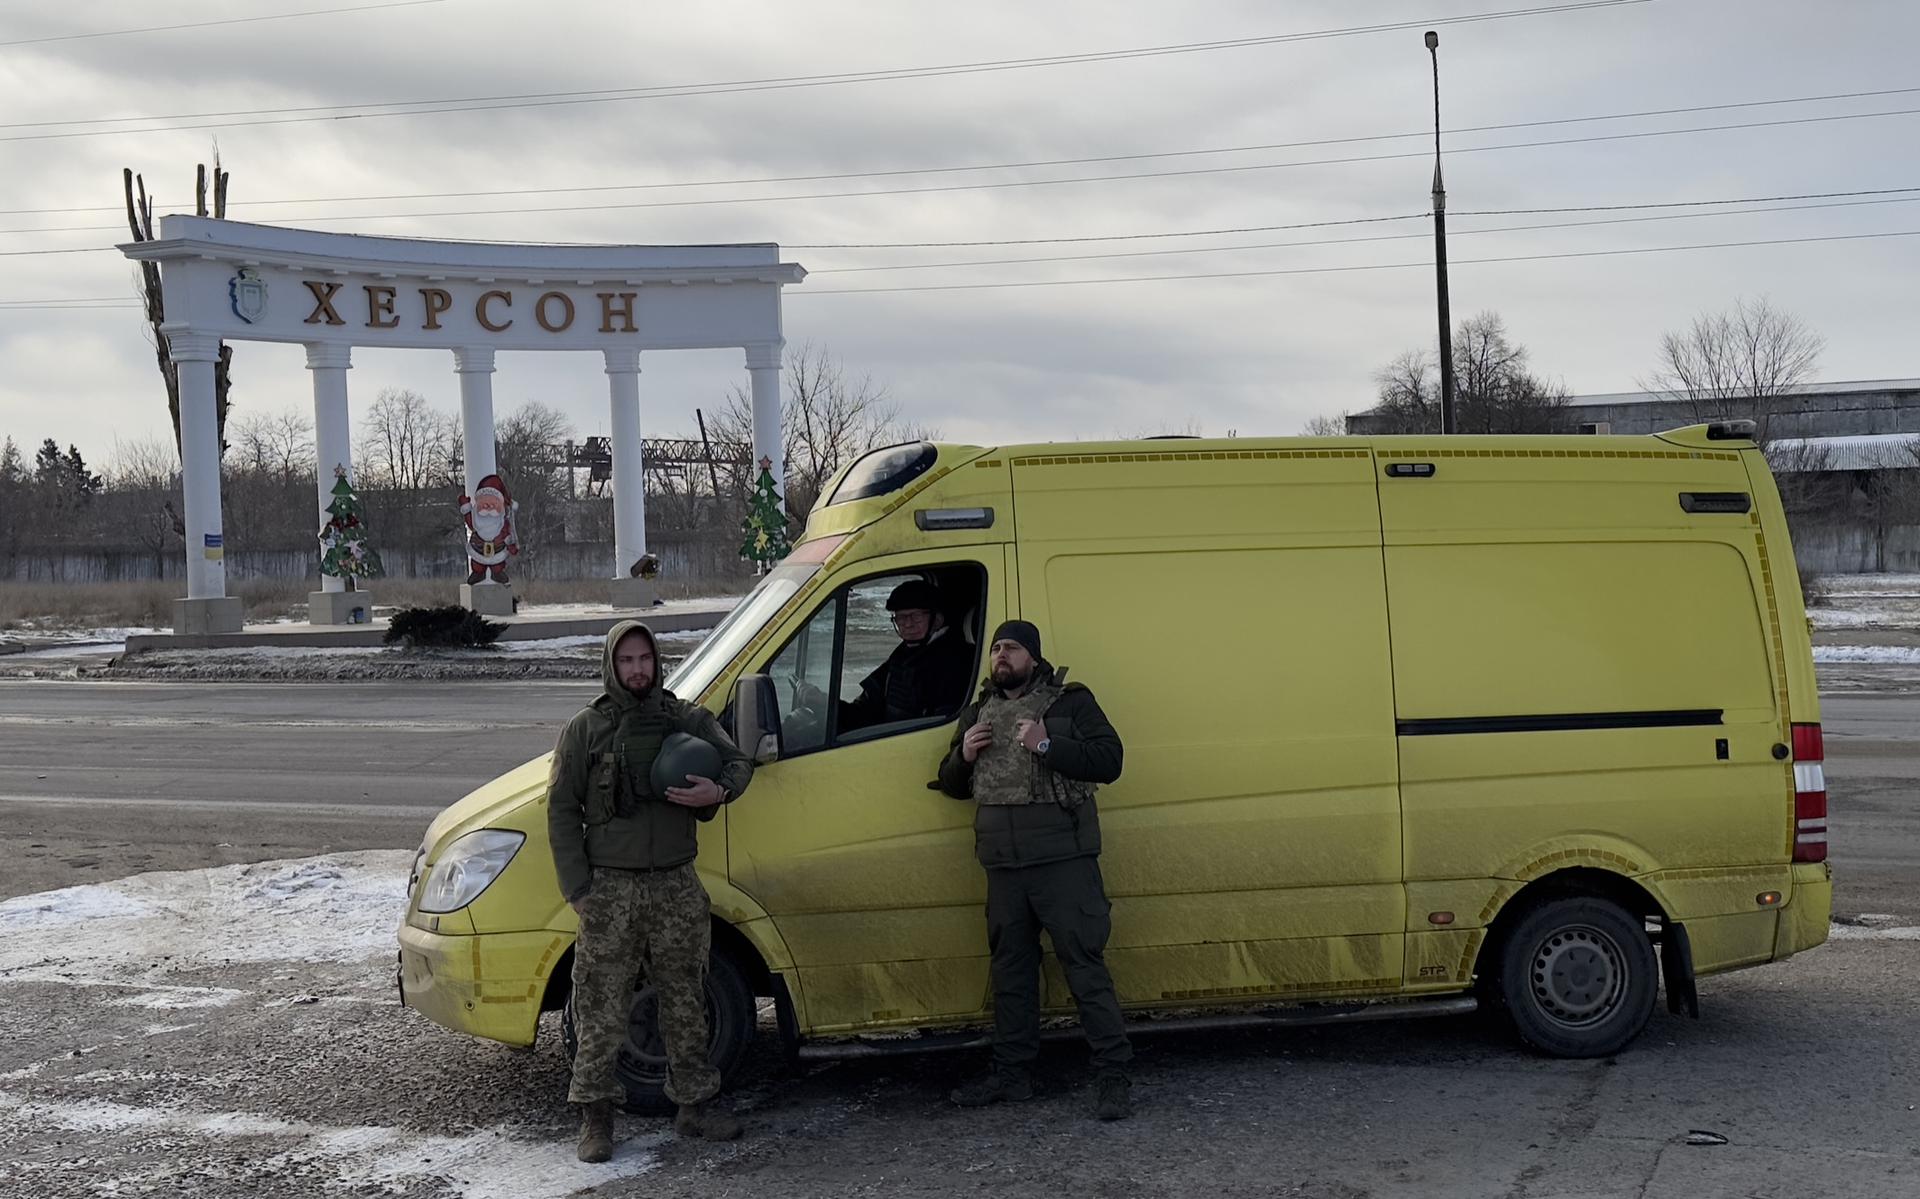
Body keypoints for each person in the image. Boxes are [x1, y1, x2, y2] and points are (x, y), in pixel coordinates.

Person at [548, 620, 754, 1162]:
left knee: (686, 996)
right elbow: (562, 811)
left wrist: (720, 789)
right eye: (627, 661)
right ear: (612, 666)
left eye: (645, 659)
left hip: (675, 883)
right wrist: (578, 888)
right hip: (610, 888)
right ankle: (596, 1118)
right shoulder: (585, 729)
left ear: (656, 663)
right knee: (600, 1002)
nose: (638, 670)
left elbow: (738, 761)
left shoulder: (682, 717)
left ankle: (695, 1105)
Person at [935, 619, 1134, 1120]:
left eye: (1013, 649)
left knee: (1085, 969)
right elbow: (952, 784)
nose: (1002, 656)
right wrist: (963, 754)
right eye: (997, 648)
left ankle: (1114, 1076)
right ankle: (1012, 1075)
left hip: (1062, 862)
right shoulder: (980, 710)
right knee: (1011, 975)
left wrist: (1048, 745)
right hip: (1004, 867)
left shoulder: (1069, 702)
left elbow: (1110, 760)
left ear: (1033, 657)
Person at [823, 579, 977, 732]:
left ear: (937, 620)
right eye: (901, 618)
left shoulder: (955, 661)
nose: (908, 624)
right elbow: (865, 710)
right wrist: (823, 704)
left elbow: (940, 728)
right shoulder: (904, 653)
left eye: (915, 616)